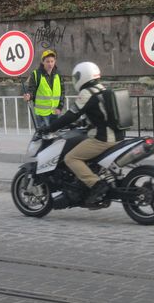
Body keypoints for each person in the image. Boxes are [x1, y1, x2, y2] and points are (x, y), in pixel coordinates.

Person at [39, 62, 124, 206]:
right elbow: (98, 114)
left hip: (102, 139)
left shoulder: (87, 93)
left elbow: (71, 115)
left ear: (83, 76)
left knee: (71, 158)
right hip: (117, 137)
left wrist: (50, 128)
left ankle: (96, 185)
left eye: (77, 76)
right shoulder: (101, 89)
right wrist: (79, 124)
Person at [23, 49, 65, 128]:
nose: (50, 64)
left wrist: (60, 107)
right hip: (42, 114)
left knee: (55, 137)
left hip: (55, 112)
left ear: (55, 61)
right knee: (44, 137)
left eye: (52, 61)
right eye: (47, 61)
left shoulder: (58, 74)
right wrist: (29, 96)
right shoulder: (36, 74)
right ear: (43, 62)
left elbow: (62, 92)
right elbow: (31, 90)